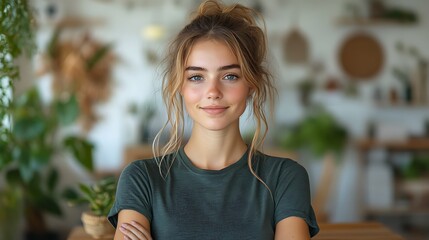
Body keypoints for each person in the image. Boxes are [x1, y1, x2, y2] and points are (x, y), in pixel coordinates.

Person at [108, 0, 319, 239]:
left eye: (230, 76)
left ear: (251, 84)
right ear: (179, 86)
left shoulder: (285, 178)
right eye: (197, 77)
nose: (213, 91)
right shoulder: (141, 178)